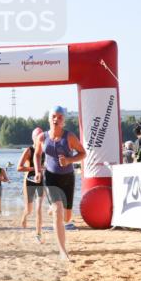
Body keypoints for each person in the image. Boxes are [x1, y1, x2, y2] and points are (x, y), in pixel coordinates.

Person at [34, 105, 86, 260]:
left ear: (64, 121)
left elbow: (83, 153)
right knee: (58, 211)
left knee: (67, 218)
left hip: (68, 178)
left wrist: (69, 160)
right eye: (53, 116)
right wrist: (37, 171)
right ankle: (63, 251)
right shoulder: (42, 137)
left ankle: (53, 208)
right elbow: (37, 154)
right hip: (50, 177)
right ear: (49, 119)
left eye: (60, 117)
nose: (56, 119)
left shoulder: (69, 137)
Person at [18, 127, 45, 241]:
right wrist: (35, 168)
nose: (40, 139)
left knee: (39, 208)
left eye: (41, 137)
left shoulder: (45, 150)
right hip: (29, 181)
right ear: (33, 138)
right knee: (29, 209)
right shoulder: (29, 150)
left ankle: (38, 234)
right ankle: (24, 216)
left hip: (41, 181)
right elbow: (19, 167)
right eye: (38, 137)